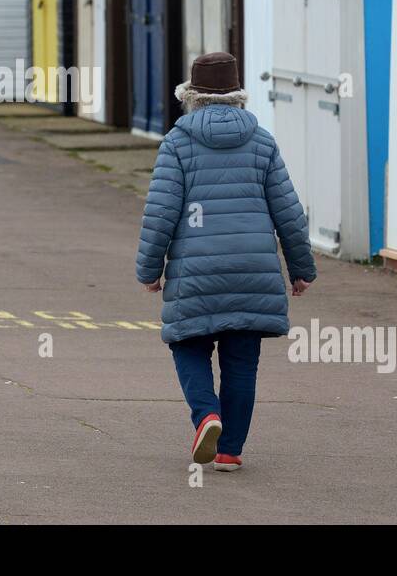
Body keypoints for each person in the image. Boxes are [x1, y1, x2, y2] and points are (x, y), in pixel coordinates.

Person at [135, 51, 316, 471]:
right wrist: (301, 268)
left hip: (195, 274)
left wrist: (149, 271)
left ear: (191, 96)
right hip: (253, 273)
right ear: (238, 96)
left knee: (187, 343)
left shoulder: (177, 143)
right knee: (241, 360)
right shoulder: (263, 142)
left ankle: (206, 416)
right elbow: (289, 212)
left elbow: (160, 212)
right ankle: (230, 450)